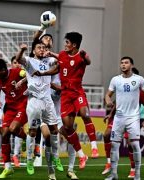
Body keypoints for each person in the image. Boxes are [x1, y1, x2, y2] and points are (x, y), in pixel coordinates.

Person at [33, 32, 96, 169]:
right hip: (60, 96)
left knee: (80, 117)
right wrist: (43, 73)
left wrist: (86, 56)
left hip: (70, 94)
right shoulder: (58, 55)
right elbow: (57, 65)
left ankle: (91, 148)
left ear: (73, 45)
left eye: (67, 42)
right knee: (63, 129)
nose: (65, 44)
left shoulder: (76, 57)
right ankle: (79, 156)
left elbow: (88, 61)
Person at [16, 40, 59, 179]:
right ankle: (29, 160)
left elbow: (61, 63)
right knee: (33, 131)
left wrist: (51, 53)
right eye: (39, 47)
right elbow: (18, 59)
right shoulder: (29, 61)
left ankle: (56, 157)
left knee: (54, 130)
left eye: (43, 47)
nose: (42, 49)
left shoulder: (49, 60)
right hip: (34, 101)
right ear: (34, 50)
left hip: (48, 100)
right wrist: (22, 49)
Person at [104, 56, 144, 180]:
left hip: (133, 118)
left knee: (135, 145)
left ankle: (137, 175)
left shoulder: (139, 79)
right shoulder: (115, 80)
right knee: (114, 145)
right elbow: (108, 95)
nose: (123, 65)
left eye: (126, 63)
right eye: (122, 63)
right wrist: (108, 101)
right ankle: (114, 174)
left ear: (132, 65)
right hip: (119, 118)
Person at [0, 59, 27, 179]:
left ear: (3, 70)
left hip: (23, 104)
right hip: (10, 107)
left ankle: (25, 138)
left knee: (12, 128)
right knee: (4, 133)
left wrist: (22, 81)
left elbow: (30, 74)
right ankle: (7, 167)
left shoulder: (17, 72)